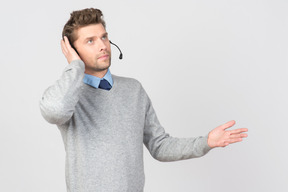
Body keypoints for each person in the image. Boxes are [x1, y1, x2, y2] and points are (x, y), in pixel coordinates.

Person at [39, 8, 248, 192]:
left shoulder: (133, 90)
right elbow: (54, 110)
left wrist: (206, 142)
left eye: (104, 37)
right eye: (90, 41)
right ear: (73, 50)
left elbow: (159, 146)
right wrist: (75, 67)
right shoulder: (68, 94)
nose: (102, 46)